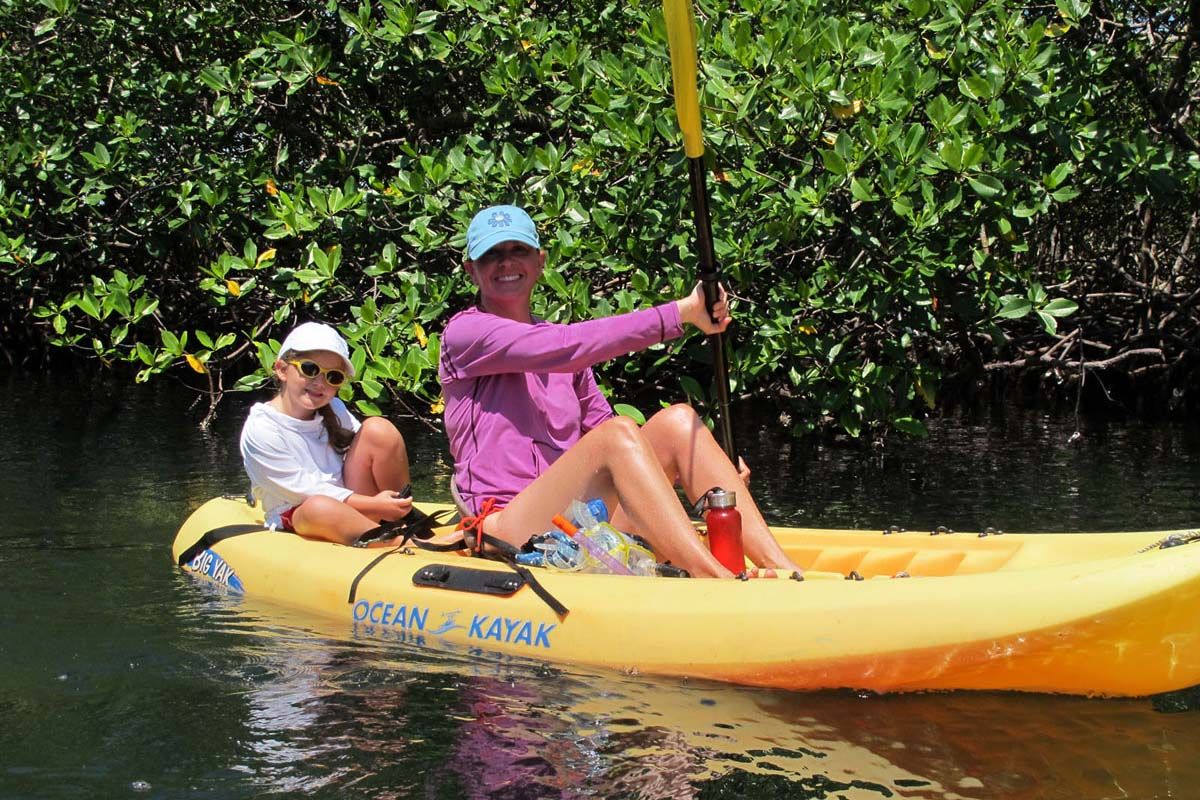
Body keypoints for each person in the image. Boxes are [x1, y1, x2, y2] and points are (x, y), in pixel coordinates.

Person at [439, 204, 802, 578]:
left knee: (679, 421)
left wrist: (714, 471)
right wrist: (680, 313)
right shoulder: (465, 334)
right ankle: (714, 579)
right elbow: (557, 351)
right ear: (472, 271)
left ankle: (787, 571)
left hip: (576, 520)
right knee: (616, 436)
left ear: (539, 260)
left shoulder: (564, 353)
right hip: (504, 527)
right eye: (491, 255)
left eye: (518, 250)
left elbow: (620, 447)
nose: (506, 263)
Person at [240, 321, 413, 545]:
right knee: (318, 507)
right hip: (303, 514)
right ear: (282, 369)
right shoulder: (262, 428)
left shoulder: (335, 409)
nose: (320, 383)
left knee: (379, 430)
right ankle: (401, 543)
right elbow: (304, 492)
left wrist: (382, 503)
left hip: (354, 506)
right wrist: (374, 505)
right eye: (310, 369)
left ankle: (404, 520)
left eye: (333, 377)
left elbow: (365, 455)